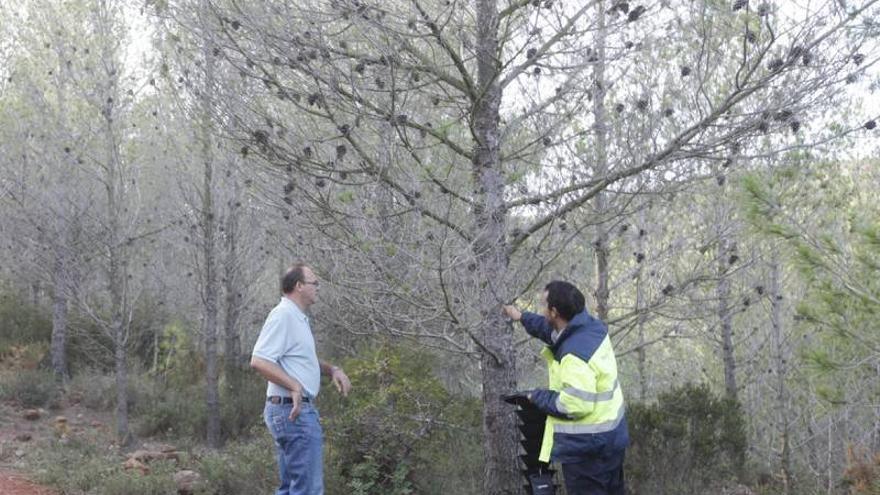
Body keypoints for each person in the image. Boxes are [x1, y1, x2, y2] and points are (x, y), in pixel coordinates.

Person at [502, 281, 628, 495]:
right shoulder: (591, 328)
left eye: (544, 306)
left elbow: (573, 405)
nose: (542, 311)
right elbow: (550, 330)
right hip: (611, 440)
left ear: (554, 312)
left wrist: (537, 397)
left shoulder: (574, 355)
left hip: (587, 451)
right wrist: (521, 317)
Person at [251, 263, 352, 495]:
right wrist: (294, 385)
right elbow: (259, 360)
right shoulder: (283, 315)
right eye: (314, 283)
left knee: (292, 490)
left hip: (291, 413)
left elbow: (302, 361)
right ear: (299, 286)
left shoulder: (296, 317)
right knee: (307, 491)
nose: (317, 288)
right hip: (294, 413)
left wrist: (332, 370)